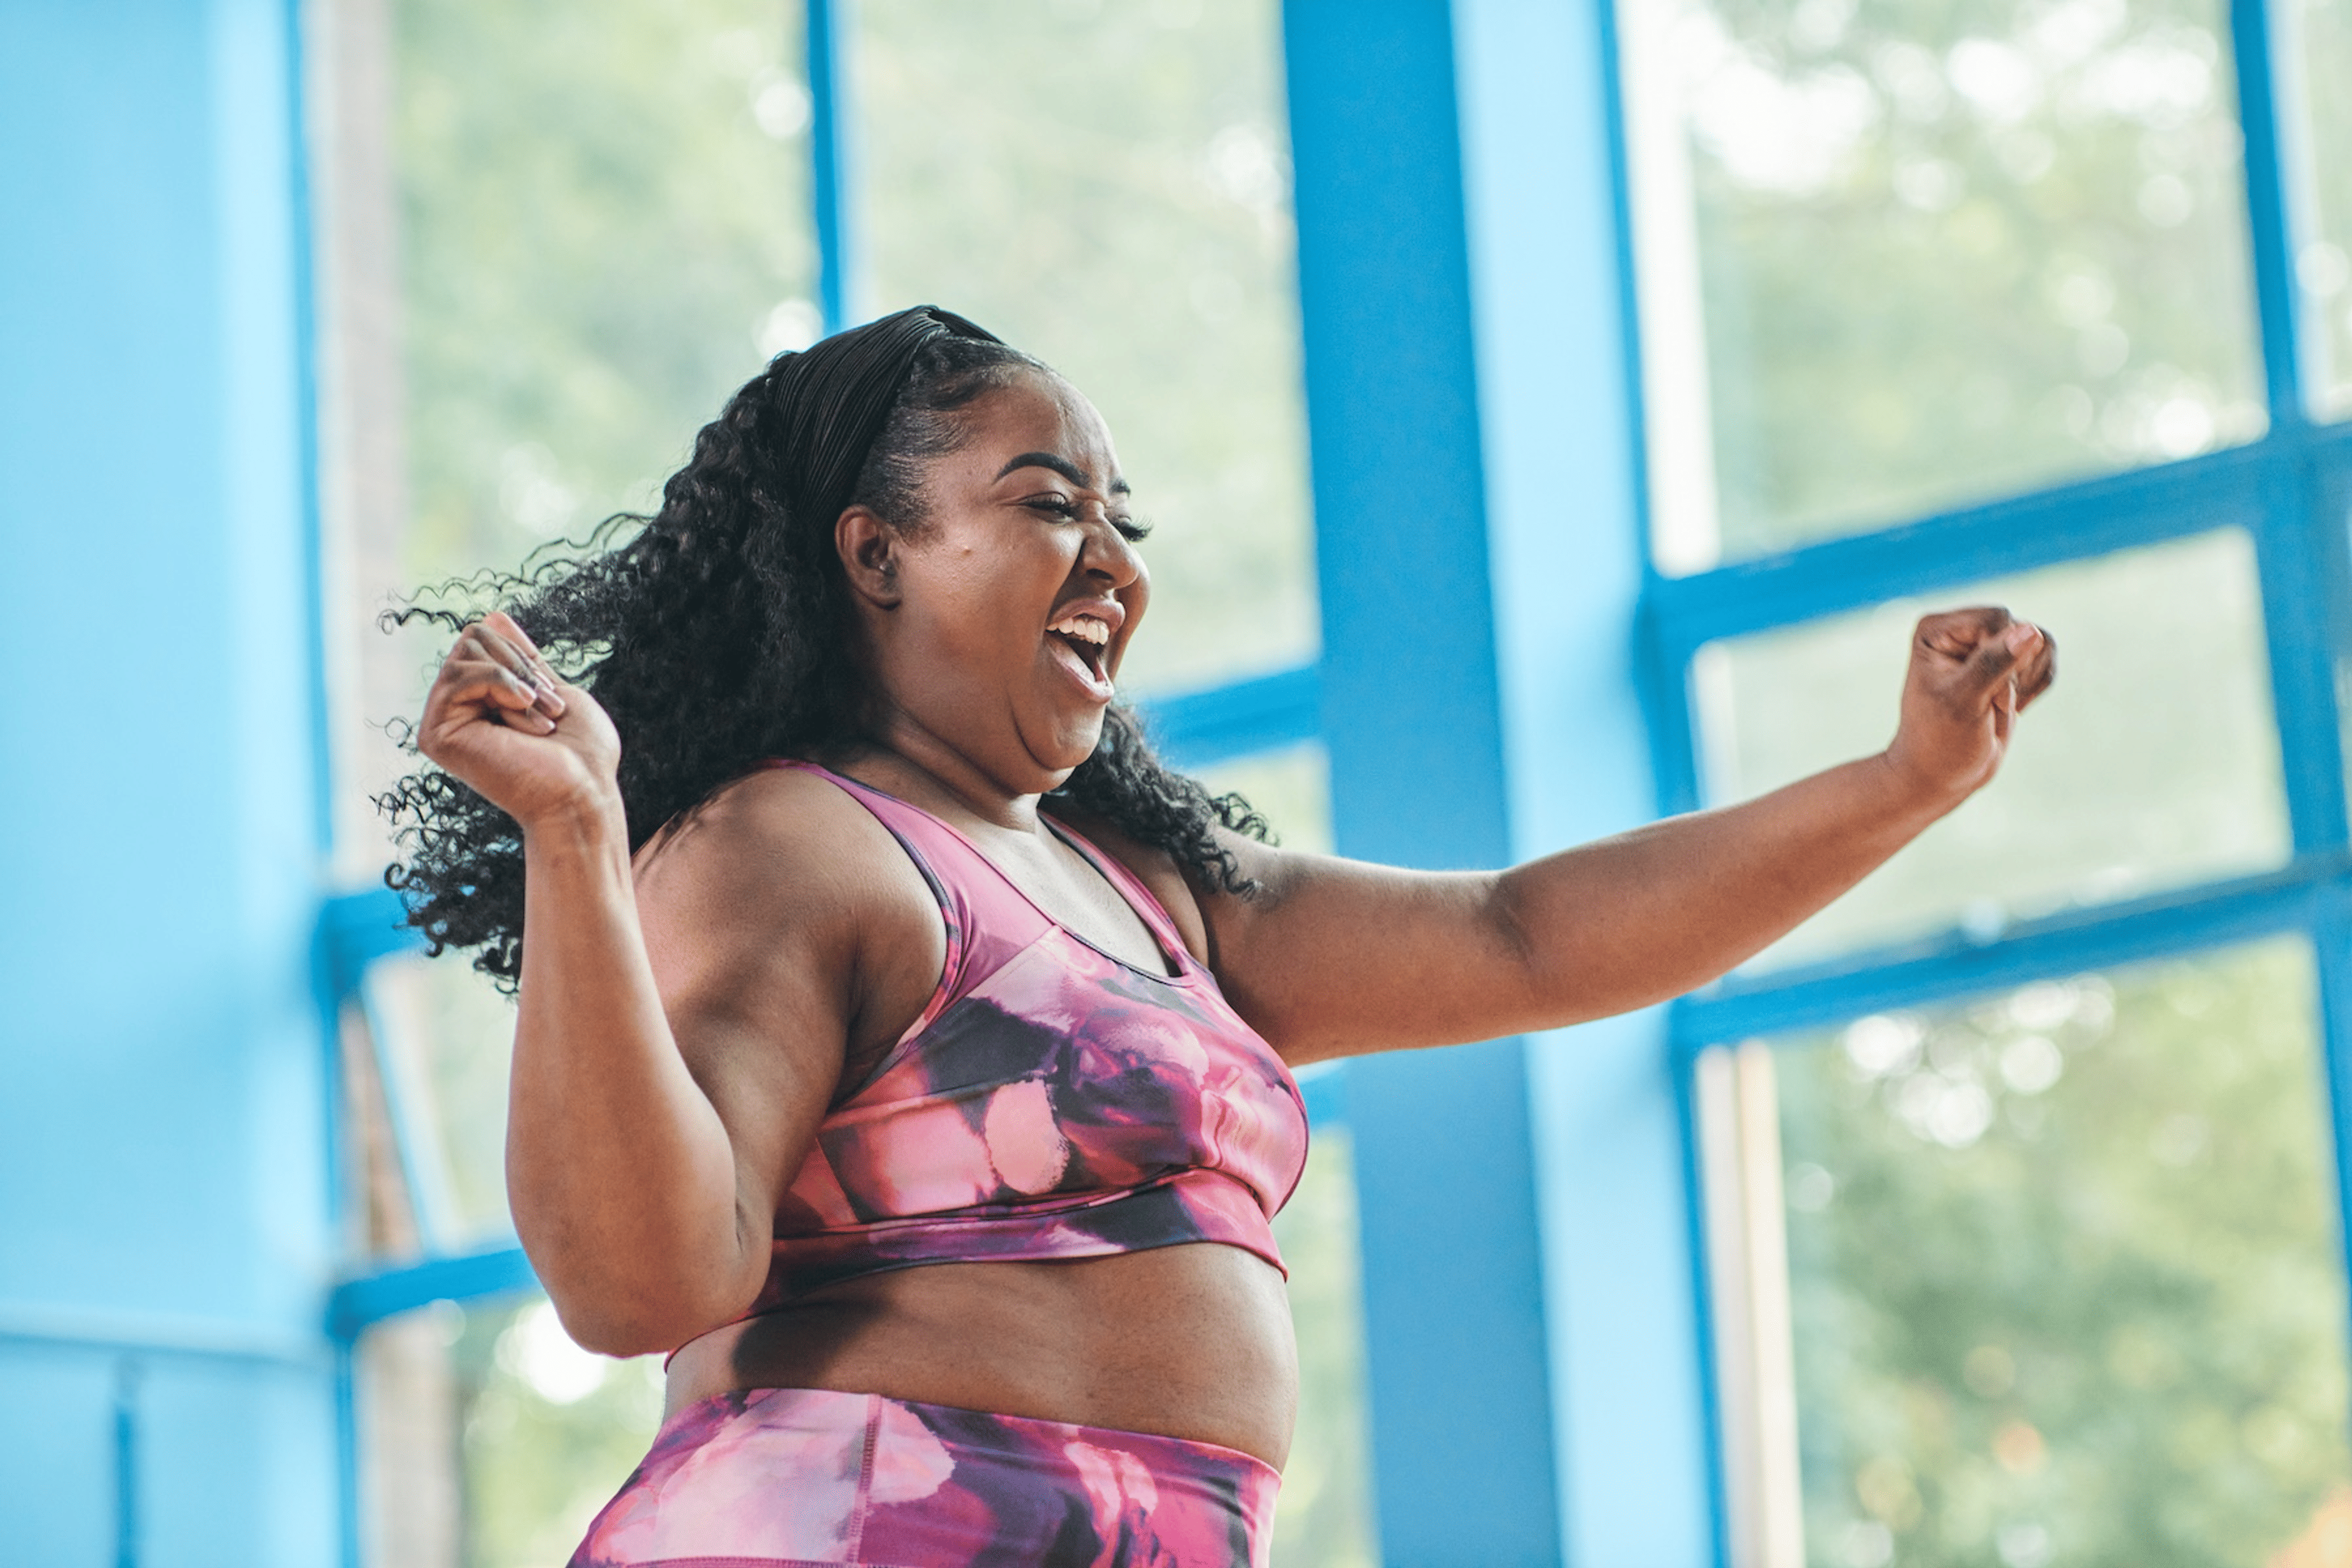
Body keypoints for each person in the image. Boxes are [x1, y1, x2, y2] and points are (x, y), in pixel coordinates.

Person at [386, 306, 2054, 1568]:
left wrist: (1902, 782)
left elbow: (1527, 936)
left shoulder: (1152, 888)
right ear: (875, 553)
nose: (1113, 563)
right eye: (1052, 508)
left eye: (1127, 526)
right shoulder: (791, 843)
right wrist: (579, 837)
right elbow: (642, 1281)